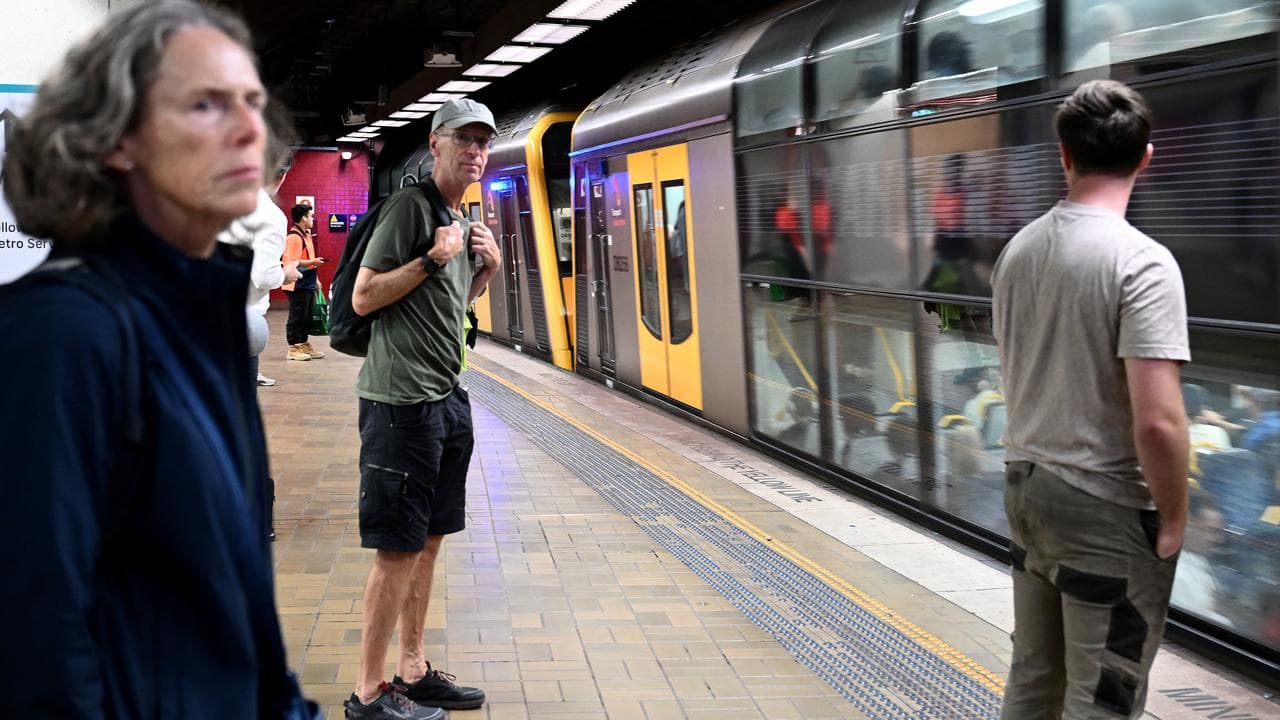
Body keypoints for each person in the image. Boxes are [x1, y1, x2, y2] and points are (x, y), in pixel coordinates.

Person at [0, 1, 316, 718]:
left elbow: (238, 611)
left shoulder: (198, 328)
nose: (248, 129)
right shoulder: (61, 336)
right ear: (115, 140)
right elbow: (34, 641)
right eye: (206, 104)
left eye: (253, 103)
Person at [992, 79, 1190, 719]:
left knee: (1034, 676)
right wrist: (1175, 517)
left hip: (1026, 487)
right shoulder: (1142, 262)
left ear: (1064, 155)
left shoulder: (1017, 251)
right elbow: (1157, 421)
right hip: (1102, 506)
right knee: (1101, 695)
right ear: (1145, 157)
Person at [344, 98, 502, 720]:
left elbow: (448, 311)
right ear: (435, 145)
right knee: (397, 550)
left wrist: (481, 271)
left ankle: (411, 669)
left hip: (445, 400)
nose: (476, 151)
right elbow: (362, 298)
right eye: (464, 139)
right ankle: (367, 693)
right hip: (399, 405)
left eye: (483, 143)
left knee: (429, 541)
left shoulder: (458, 217)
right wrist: (433, 256)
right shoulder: (412, 209)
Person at [219, 110, 303, 387]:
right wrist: (287, 273)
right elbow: (263, 276)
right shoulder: (269, 215)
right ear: (281, 177)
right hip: (240, 322)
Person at [283, 202, 326, 361]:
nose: (313, 219)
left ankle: (303, 344)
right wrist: (313, 261)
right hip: (296, 282)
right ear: (303, 218)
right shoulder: (294, 237)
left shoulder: (306, 235)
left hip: (307, 281)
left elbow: (309, 259)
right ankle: (293, 348)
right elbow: (292, 262)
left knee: (306, 316)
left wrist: (316, 279)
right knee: (297, 316)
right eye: (311, 216)